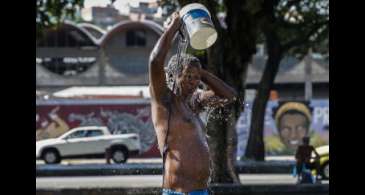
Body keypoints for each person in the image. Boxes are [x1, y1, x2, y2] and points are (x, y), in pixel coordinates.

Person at [149, 12, 237, 194]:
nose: (193, 81)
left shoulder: (196, 102)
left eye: (197, 78)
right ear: (174, 76)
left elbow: (230, 96)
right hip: (178, 192)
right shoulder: (164, 101)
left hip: (200, 191)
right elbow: (155, 61)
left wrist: (203, 74)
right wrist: (174, 26)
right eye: (188, 76)